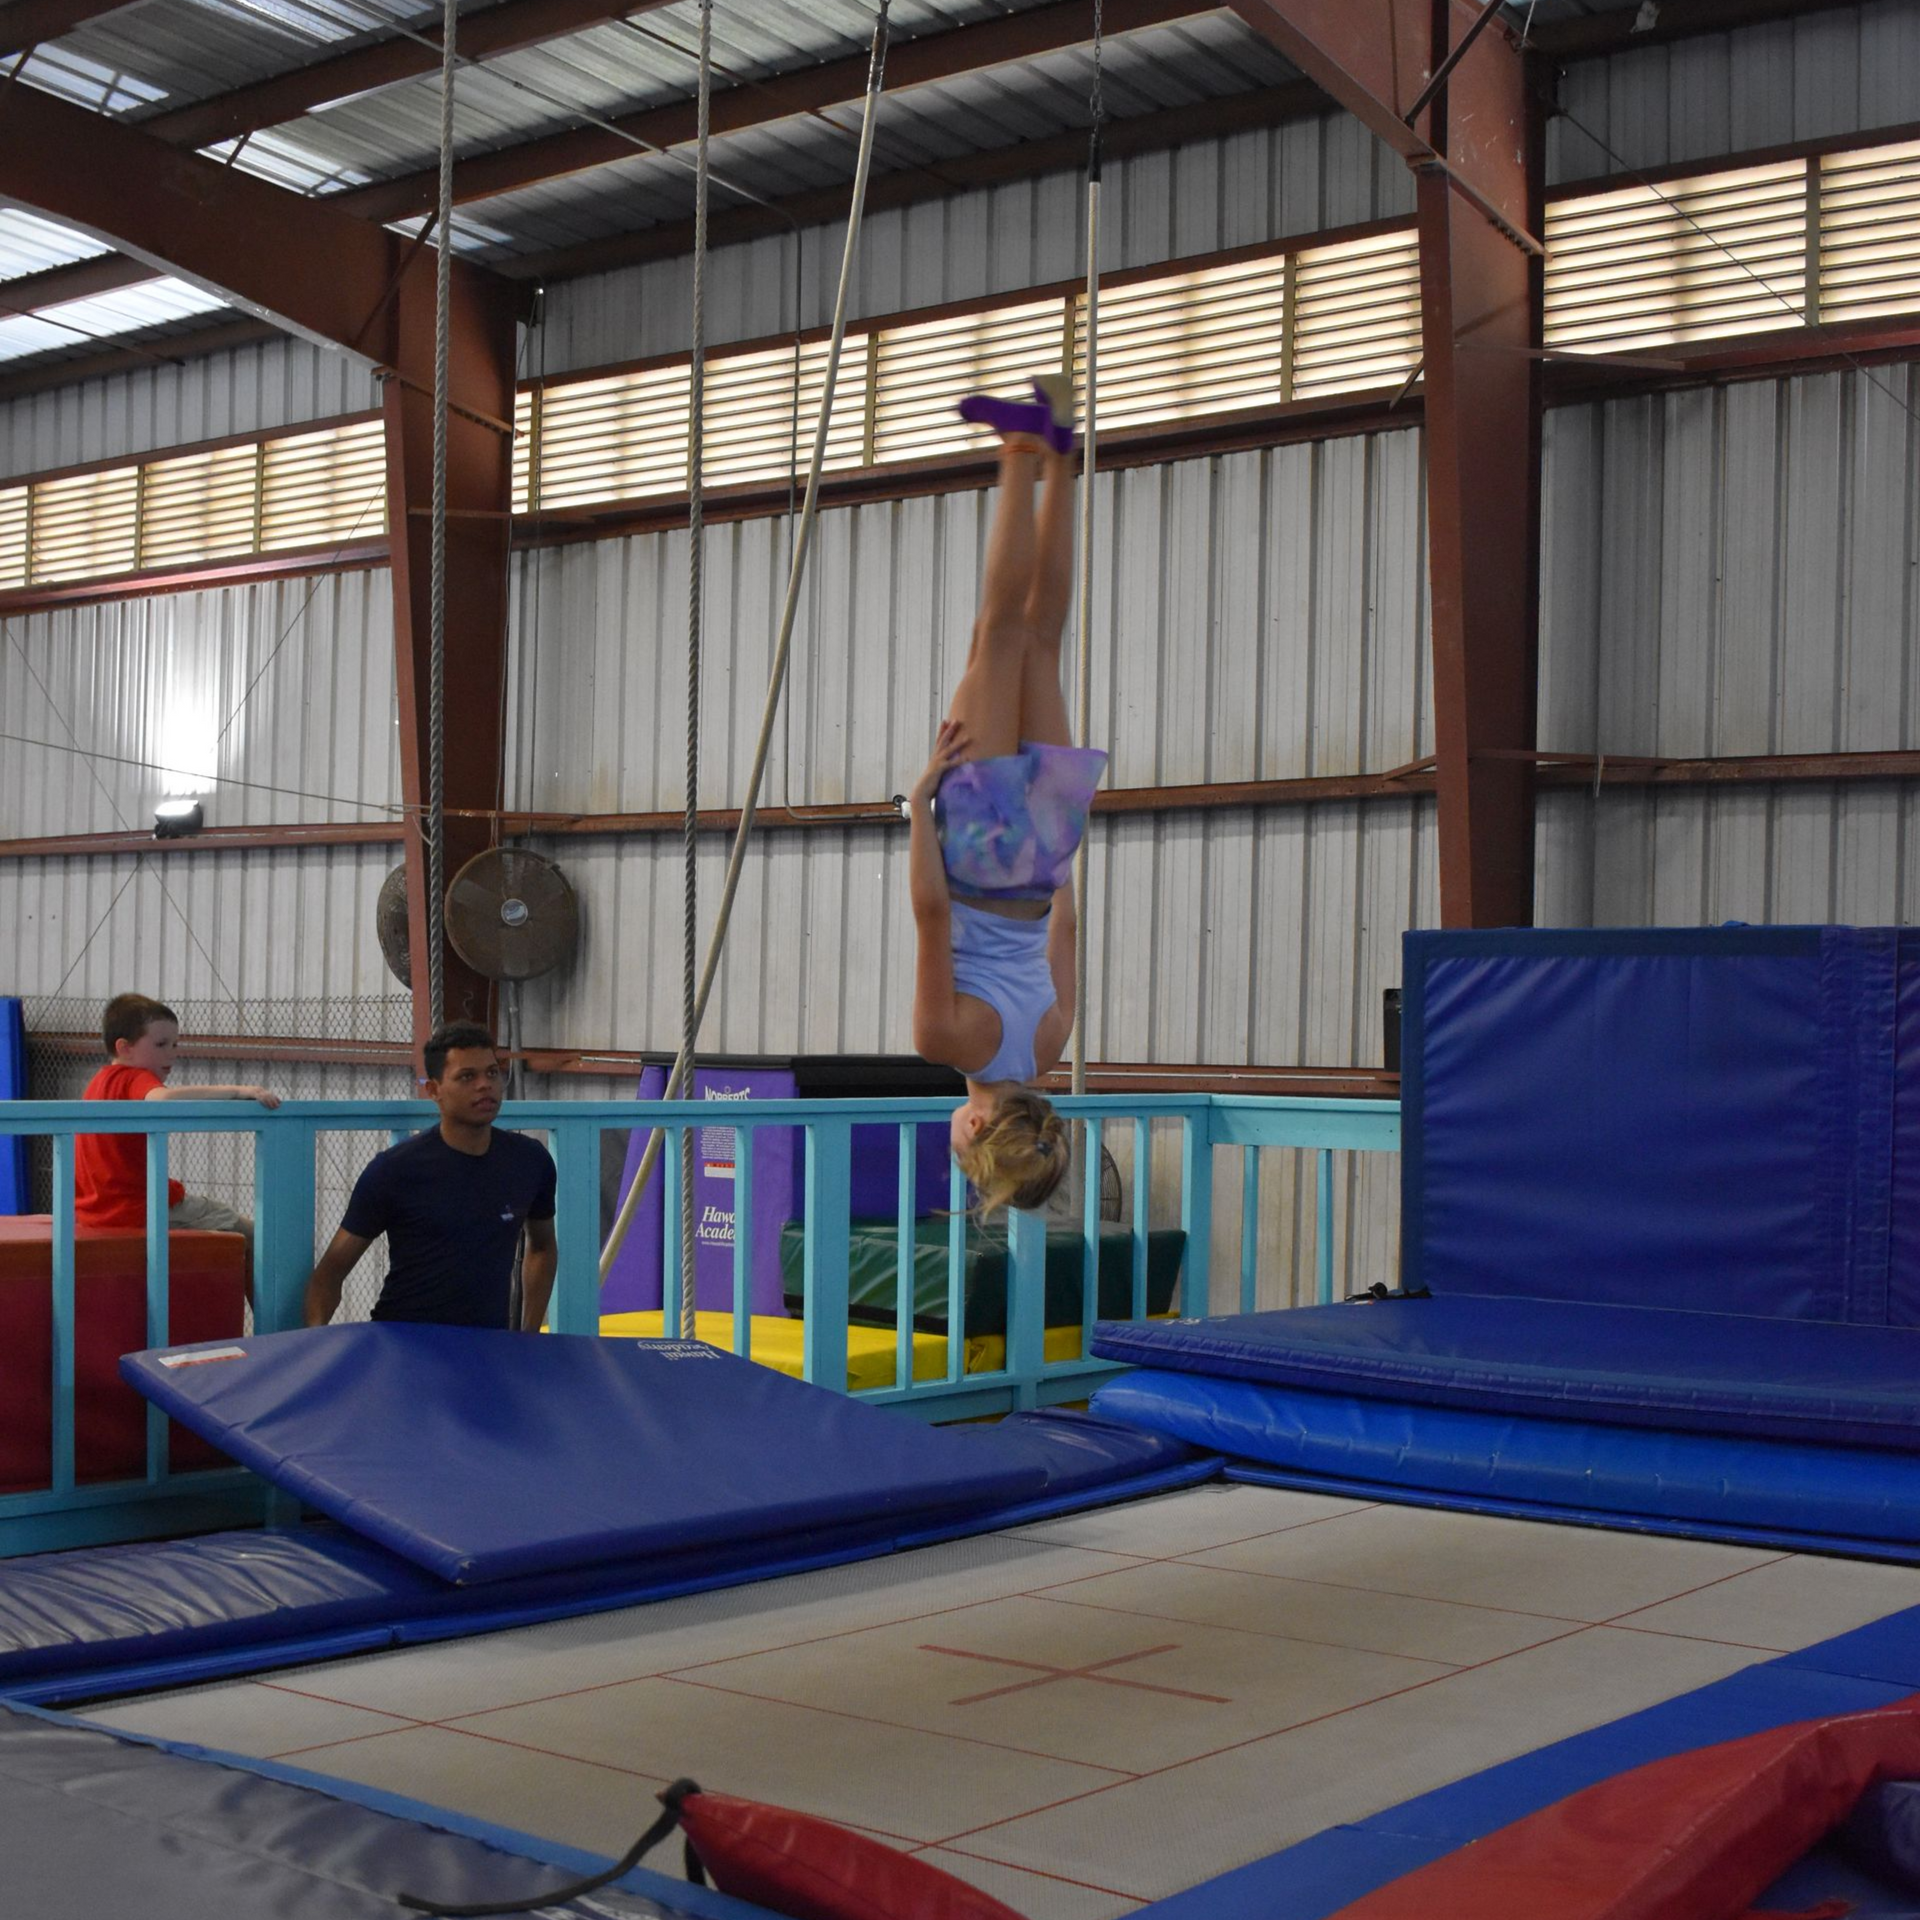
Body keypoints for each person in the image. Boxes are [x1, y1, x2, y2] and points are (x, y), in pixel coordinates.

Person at [908, 375, 1106, 1215]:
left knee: (1043, 642)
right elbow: (931, 917)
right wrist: (921, 806)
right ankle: (1019, 449)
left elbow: (1067, 920)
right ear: (975, 1133)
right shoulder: (947, 1040)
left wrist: (1050, 842)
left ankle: (1058, 453)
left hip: (1047, 853)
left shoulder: (1052, 1049)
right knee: (998, 632)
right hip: (984, 857)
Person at [303, 1022, 556, 1332]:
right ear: (434, 1090)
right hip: (403, 1344)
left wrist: (527, 1336)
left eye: (491, 1073)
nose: (485, 1085)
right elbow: (329, 1274)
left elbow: (542, 1248)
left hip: (489, 1349)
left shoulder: (530, 1161)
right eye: (467, 1077)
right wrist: (316, 1347)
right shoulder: (394, 1171)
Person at [75, 993, 278, 1257]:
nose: (172, 1053)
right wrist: (238, 1090)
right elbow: (162, 1098)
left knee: (231, 1235)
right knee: (256, 1233)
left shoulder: (97, 1084)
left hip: (95, 1211)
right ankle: (279, 1300)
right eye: (161, 1044)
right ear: (125, 1048)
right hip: (139, 1208)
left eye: (175, 1044)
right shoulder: (134, 1077)